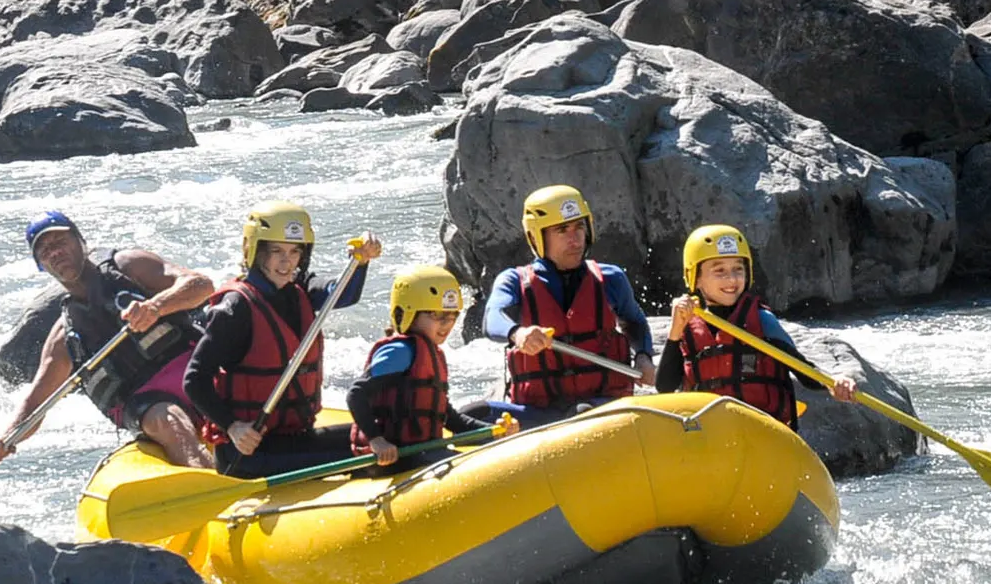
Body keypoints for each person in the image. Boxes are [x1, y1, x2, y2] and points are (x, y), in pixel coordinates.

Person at [0, 211, 216, 471]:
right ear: (41, 265)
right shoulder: (63, 338)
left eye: (61, 242)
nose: (55, 252)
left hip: (195, 370)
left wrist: (155, 307)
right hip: (148, 403)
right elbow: (35, 404)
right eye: (45, 250)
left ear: (81, 242)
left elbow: (201, 285)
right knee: (169, 420)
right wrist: (5, 439)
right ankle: (217, 486)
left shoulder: (130, 266)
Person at [183, 201, 382, 478]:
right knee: (370, 453)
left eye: (293, 252)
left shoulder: (300, 288)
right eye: (276, 251)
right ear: (255, 251)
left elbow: (343, 294)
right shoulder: (235, 308)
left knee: (380, 434)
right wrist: (232, 426)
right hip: (249, 454)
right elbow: (194, 378)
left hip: (292, 437)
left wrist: (360, 263)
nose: (286, 261)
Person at [482, 185, 657, 428]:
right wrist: (517, 333)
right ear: (536, 236)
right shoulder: (513, 281)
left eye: (579, 227)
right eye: (562, 230)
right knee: (476, 412)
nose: (575, 239)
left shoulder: (611, 278)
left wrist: (643, 356)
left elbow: (634, 322)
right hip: (539, 412)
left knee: (581, 412)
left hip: (601, 405)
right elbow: (492, 318)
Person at [657, 224, 856, 427]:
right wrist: (675, 331)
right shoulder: (687, 325)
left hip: (761, 430)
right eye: (719, 271)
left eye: (738, 269)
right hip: (711, 434)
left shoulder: (762, 319)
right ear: (696, 278)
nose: (732, 279)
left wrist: (833, 383)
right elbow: (664, 386)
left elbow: (804, 371)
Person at [347, 266, 519, 474]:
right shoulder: (400, 351)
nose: (447, 324)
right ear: (408, 313)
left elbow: (451, 420)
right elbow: (356, 394)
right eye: (438, 315)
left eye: (453, 315)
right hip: (392, 457)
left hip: (422, 452)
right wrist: (377, 440)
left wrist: (493, 432)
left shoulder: (432, 355)